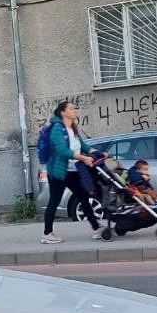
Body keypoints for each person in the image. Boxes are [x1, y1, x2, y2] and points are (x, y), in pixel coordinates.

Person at [38, 101, 102, 244]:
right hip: (58, 172)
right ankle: (47, 234)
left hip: (72, 171)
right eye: (72, 108)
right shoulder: (57, 129)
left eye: (75, 108)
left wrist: (99, 153)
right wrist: (84, 158)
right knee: (54, 201)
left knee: (83, 197)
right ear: (63, 112)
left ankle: (97, 228)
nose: (75, 110)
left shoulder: (72, 128)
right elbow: (63, 151)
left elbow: (84, 146)